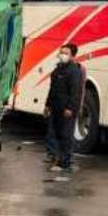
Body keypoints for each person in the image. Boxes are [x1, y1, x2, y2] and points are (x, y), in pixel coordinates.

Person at [44, 43, 83, 172]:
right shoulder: (58, 69)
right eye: (61, 52)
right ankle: (58, 159)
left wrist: (70, 108)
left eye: (66, 53)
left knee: (66, 135)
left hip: (66, 110)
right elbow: (52, 89)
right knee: (57, 134)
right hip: (56, 107)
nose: (62, 55)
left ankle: (65, 162)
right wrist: (47, 105)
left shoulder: (74, 71)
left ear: (72, 56)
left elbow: (75, 92)